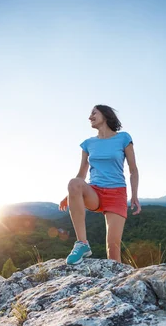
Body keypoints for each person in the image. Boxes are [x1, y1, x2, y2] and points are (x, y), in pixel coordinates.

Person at [59, 104, 141, 265]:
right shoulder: (88, 144)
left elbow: (133, 170)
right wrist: (71, 193)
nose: (90, 117)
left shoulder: (123, 138)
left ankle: (116, 285)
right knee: (73, 183)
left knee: (113, 248)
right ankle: (82, 244)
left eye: (93, 113)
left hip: (116, 193)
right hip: (94, 192)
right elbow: (81, 174)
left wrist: (135, 196)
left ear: (105, 115)